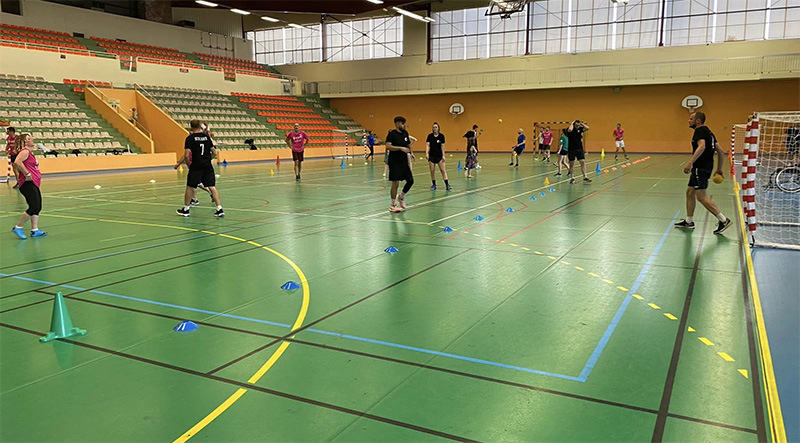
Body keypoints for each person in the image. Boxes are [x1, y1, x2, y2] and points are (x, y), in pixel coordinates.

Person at [674, 112, 731, 234]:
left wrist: (690, 162)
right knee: (690, 192)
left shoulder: (699, 131)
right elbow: (721, 152)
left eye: (691, 119)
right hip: (705, 168)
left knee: (701, 197)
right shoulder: (709, 133)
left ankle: (723, 220)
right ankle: (689, 222)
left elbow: (702, 146)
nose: (688, 121)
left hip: (700, 168)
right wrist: (719, 169)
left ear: (698, 121)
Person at [176, 120, 224, 217]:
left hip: (196, 166)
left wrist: (189, 165)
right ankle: (219, 209)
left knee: (190, 186)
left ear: (191, 127)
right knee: (212, 186)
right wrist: (207, 159)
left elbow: (186, 155)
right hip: (207, 166)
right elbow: (214, 152)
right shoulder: (206, 137)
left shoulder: (190, 138)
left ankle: (186, 209)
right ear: (199, 126)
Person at [11, 134, 46, 239]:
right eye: (29, 139)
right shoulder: (25, 152)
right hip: (27, 184)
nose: (32, 140)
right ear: (24, 142)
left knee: (37, 206)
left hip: (34, 183)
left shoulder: (29, 153)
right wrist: (27, 174)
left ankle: (35, 230)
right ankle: (18, 227)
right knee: (34, 206)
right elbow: (17, 162)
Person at [385, 116, 415, 213]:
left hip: (403, 162)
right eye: (402, 123)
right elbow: (388, 146)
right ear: (397, 124)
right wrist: (400, 148)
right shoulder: (392, 134)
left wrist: (411, 152)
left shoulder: (405, 133)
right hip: (394, 162)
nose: (404, 125)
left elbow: (408, 145)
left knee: (410, 180)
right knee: (395, 183)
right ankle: (392, 205)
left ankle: (401, 197)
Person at [426, 123, 451, 191]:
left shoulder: (441, 136)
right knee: (432, 171)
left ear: (438, 128)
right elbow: (428, 145)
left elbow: (443, 146)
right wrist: (427, 153)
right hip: (432, 156)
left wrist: (443, 155)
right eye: (433, 127)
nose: (435, 128)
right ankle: (434, 185)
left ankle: (447, 184)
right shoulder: (430, 136)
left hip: (439, 156)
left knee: (443, 170)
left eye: (436, 127)